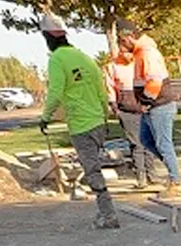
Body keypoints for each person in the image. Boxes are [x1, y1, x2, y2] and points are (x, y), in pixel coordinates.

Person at [38, 13, 119, 229]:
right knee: (94, 168)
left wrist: (45, 117)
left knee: (92, 170)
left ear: (47, 36)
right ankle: (107, 212)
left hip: (81, 125)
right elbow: (102, 92)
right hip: (97, 122)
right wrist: (104, 117)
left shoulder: (57, 59)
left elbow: (55, 92)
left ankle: (108, 214)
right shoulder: (85, 58)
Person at [116, 18, 181, 198]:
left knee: (162, 143)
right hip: (152, 106)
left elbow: (155, 80)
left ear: (129, 36)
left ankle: (175, 181)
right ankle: (173, 168)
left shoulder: (147, 52)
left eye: (121, 41)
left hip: (159, 105)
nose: (121, 45)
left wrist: (145, 102)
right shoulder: (139, 53)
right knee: (146, 140)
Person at [104, 51, 154, 188]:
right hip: (126, 109)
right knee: (136, 143)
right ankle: (141, 177)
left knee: (149, 142)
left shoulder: (140, 63)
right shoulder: (112, 67)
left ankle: (152, 175)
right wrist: (115, 107)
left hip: (144, 106)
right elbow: (109, 88)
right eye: (124, 51)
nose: (127, 55)